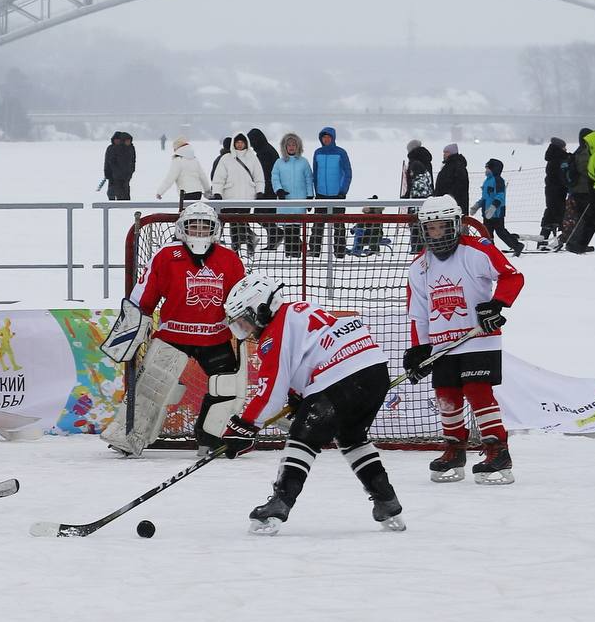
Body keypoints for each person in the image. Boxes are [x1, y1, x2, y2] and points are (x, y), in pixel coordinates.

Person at [219, 273, 405, 535]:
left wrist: (245, 425)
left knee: (301, 438)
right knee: (352, 437)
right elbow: (311, 355)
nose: (246, 330)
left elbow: (270, 392)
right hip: (374, 371)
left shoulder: (275, 332)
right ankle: (387, 501)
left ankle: (280, 503)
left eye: (245, 321)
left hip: (340, 377)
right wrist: (303, 394)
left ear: (261, 309)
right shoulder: (300, 310)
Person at [98, 202, 246, 457]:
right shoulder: (165, 256)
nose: (199, 231)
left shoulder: (230, 260)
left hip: (215, 337)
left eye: (205, 226)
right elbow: (143, 297)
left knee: (227, 387)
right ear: (182, 228)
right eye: (193, 225)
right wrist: (132, 327)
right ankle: (129, 435)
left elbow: (240, 300)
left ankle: (211, 439)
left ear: (215, 230)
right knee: (151, 387)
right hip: (173, 336)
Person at [404, 194, 524, 485]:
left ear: (455, 224)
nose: (436, 234)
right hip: (443, 344)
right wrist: (419, 349)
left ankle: (497, 451)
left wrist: (496, 305)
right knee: (446, 395)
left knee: (477, 391)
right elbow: (418, 313)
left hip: (479, 337)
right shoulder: (418, 266)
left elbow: (512, 277)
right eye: (430, 229)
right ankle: (454, 449)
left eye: (442, 227)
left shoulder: (476, 250)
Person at [210, 133, 265, 258]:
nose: (240, 145)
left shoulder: (252, 158)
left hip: (247, 197)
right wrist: (217, 193)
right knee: (234, 223)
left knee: (242, 222)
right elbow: (219, 178)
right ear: (233, 144)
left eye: (242, 142)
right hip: (230, 196)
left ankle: (248, 244)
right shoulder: (226, 158)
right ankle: (236, 248)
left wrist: (260, 191)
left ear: (246, 143)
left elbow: (259, 177)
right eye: (237, 142)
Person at [310, 126, 352, 258]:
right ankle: (314, 251)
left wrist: (343, 191)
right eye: (324, 137)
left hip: (337, 195)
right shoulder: (318, 153)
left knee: (339, 226)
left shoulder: (341, 153)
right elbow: (315, 174)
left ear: (333, 138)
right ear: (321, 138)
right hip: (321, 195)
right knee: (317, 225)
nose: (326, 139)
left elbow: (348, 173)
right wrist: (316, 192)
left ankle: (339, 252)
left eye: (328, 137)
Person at [270, 132, 314, 255]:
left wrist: (310, 197)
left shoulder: (304, 162)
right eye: (288, 145)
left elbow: (308, 179)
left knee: (296, 229)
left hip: (300, 201)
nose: (291, 147)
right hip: (285, 202)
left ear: (298, 146)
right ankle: (289, 254)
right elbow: (275, 177)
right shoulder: (279, 162)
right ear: (284, 147)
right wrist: (278, 190)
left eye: (294, 144)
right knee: (288, 229)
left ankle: (296, 253)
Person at [472, 158, 524, 256]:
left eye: (488, 168)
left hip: (497, 212)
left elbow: (500, 196)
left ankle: (517, 246)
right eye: (486, 168)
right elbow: (485, 197)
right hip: (486, 212)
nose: (486, 170)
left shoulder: (498, 180)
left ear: (494, 169)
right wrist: (477, 205)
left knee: (501, 232)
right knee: (487, 232)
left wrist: (493, 207)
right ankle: (490, 250)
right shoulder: (487, 181)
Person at [247, 128, 280, 249]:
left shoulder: (264, 152)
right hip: (268, 188)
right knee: (266, 216)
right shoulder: (265, 150)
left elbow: (264, 172)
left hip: (267, 189)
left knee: (260, 215)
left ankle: (276, 235)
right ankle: (273, 239)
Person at [155, 136, 211, 203]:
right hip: (198, 192)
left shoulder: (178, 160)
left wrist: (160, 192)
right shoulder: (194, 160)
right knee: (194, 212)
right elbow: (203, 176)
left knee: (185, 212)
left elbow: (170, 178)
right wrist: (207, 190)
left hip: (186, 193)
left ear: (177, 148)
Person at [402, 139, 434, 254]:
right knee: (422, 225)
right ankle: (421, 247)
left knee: (416, 224)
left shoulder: (415, 162)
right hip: (427, 197)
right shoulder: (426, 160)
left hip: (417, 200)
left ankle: (417, 248)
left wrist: (407, 196)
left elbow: (413, 183)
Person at [540, 137, 568, 248]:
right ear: (560, 148)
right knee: (557, 214)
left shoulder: (552, 158)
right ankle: (559, 241)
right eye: (564, 147)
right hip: (558, 191)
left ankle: (542, 241)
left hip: (551, 191)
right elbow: (562, 177)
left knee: (551, 214)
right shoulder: (559, 159)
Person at [434, 143, 470, 216]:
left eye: (446, 152)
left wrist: (449, 196)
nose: (444, 154)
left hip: (453, 204)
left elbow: (460, 187)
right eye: (444, 153)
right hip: (445, 203)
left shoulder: (457, 166)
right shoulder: (448, 166)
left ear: (452, 153)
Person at [103, 131, 135, 201]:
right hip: (112, 174)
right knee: (112, 192)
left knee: (124, 192)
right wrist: (107, 173)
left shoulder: (128, 148)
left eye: (118, 140)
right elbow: (108, 162)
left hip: (123, 175)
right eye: (115, 140)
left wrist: (130, 171)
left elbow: (132, 161)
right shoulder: (111, 148)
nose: (117, 141)